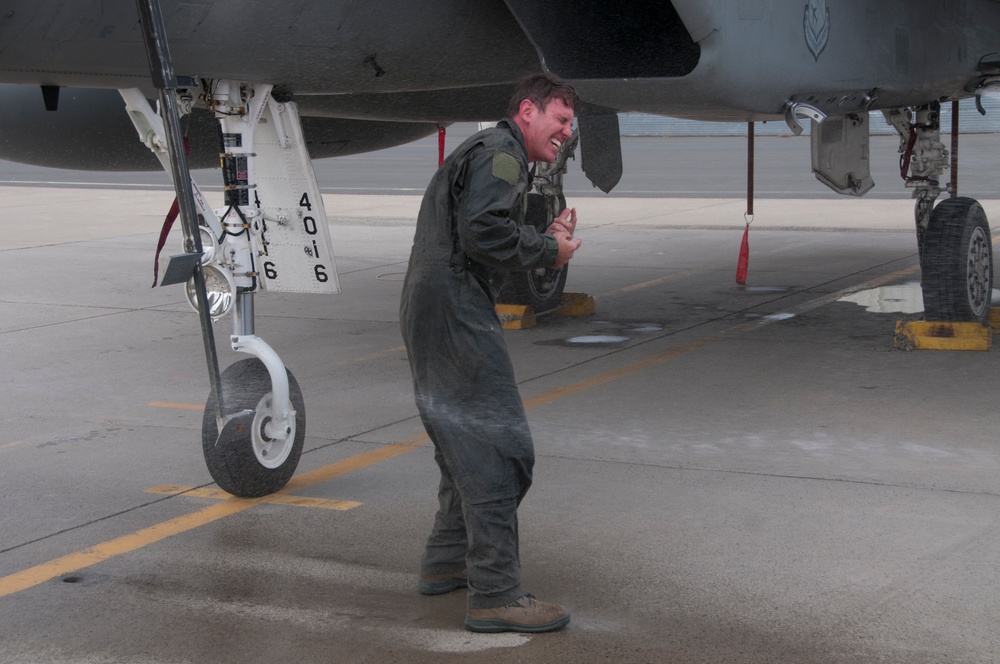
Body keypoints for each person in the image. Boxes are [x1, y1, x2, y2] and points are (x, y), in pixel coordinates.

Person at [399, 73, 582, 634]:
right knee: (500, 448)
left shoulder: (489, 151)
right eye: (561, 119)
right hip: (453, 306)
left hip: (431, 302)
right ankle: (496, 593)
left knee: (462, 441)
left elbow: (476, 230)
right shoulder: (502, 152)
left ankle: (447, 560)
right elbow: (483, 234)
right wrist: (550, 250)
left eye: (571, 125)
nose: (567, 133)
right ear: (528, 110)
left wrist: (541, 239)